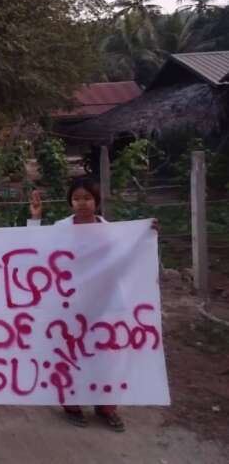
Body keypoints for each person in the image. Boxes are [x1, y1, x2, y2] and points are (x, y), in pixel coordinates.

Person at [28, 177, 159, 433]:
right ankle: (72, 404)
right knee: (71, 353)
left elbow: (129, 254)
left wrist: (146, 234)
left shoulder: (112, 231)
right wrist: (35, 217)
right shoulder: (61, 229)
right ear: (70, 202)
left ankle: (106, 406)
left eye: (87, 198)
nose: (82, 203)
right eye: (76, 198)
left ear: (96, 201)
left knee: (107, 356)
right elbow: (36, 248)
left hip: (106, 303)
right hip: (71, 303)